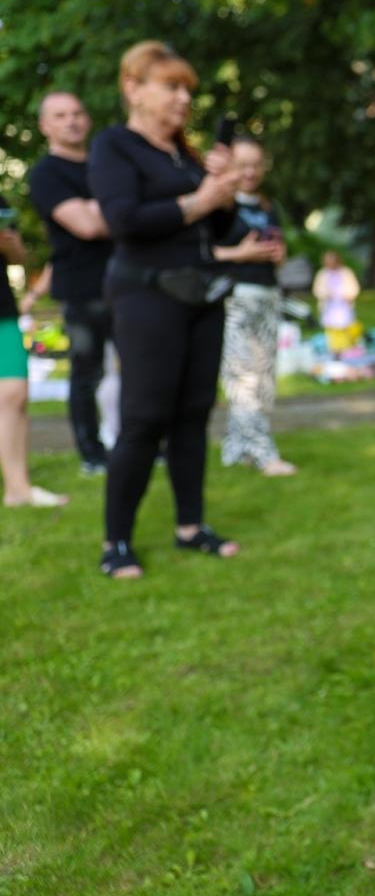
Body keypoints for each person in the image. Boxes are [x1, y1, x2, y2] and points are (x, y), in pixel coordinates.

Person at [90, 40, 242, 579]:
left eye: (187, 90)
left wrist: (221, 193)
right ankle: (116, 543)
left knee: (193, 415)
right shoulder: (115, 146)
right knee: (144, 419)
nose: (183, 99)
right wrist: (200, 200)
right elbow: (124, 221)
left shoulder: (187, 155)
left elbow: (223, 230)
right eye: (171, 87)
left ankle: (190, 527)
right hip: (145, 296)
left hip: (200, 295)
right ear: (134, 87)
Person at [27, 91, 115, 476]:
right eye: (60, 115)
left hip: (126, 280)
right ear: (46, 126)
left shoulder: (106, 165)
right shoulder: (46, 173)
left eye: (78, 112)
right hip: (81, 288)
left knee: (143, 368)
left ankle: (141, 443)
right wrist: (118, 207)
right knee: (86, 373)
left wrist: (102, 208)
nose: (71, 121)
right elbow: (87, 225)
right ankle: (92, 454)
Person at [214, 137, 295, 476]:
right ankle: (264, 453)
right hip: (235, 298)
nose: (249, 172)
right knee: (242, 378)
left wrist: (279, 255)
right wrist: (240, 254)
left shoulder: (266, 206)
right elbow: (202, 254)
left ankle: (236, 448)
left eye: (255, 165)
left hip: (267, 295)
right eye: (241, 164)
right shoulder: (219, 205)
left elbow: (276, 247)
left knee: (262, 380)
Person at [1, 196, 70, 509]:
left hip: (3, 312)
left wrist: (9, 243)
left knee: (16, 393)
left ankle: (18, 488)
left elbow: (20, 258)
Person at [312, 250, 361, 355]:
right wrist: (326, 294)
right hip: (329, 306)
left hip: (343, 305)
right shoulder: (322, 274)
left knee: (345, 327)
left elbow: (354, 288)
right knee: (332, 329)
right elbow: (317, 289)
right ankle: (334, 349)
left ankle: (346, 348)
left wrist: (347, 295)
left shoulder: (346, 272)